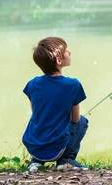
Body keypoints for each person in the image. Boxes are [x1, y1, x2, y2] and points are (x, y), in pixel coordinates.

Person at [22, 37, 89, 172]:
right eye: (66, 51)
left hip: (33, 147)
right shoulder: (73, 85)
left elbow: (36, 112)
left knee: (42, 120)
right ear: (59, 60)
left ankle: (37, 162)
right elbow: (75, 119)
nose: (69, 52)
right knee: (82, 121)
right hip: (58, 148)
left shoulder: (32, 84)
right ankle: (66, 160)